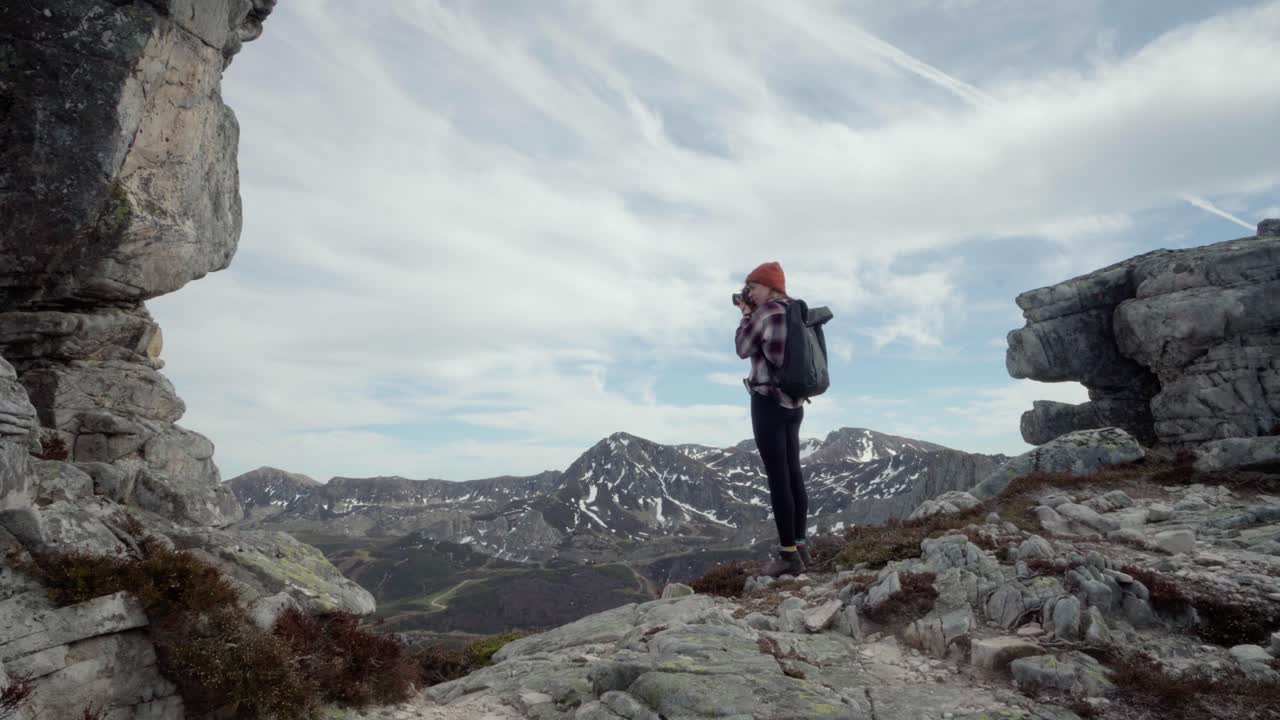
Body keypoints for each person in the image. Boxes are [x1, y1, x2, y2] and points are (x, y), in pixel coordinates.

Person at [734, 261, 810, 577]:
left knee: (778, 478)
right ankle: (801, 545)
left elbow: (742, 348)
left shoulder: (766, 313)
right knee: (793, 473)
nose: (749, 293)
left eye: (752, 287)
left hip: (768, 401)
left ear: (770, 286)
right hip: (795, 403)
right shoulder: (797, 311)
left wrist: (745, 314)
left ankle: (787, 556)